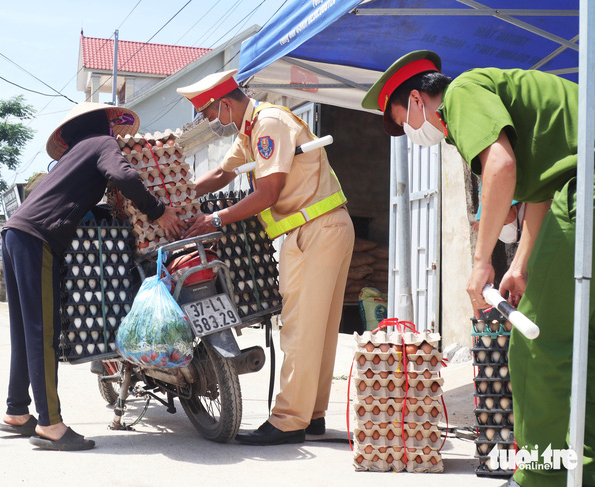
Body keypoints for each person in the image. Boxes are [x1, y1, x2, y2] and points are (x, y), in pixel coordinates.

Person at [362, 50, 594, 487]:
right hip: (575, 184)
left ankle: (539, 478)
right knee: (585, 343)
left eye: (404, 122)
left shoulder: (463, 93)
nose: (412, 134)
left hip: (586, 187)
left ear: (417, 100)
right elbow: (542, 189)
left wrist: (481, 261)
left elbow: (501, 169)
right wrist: (520, 265)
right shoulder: (497, 101)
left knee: (535, 345)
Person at [177, 70, 354, 446]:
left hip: (314, 229)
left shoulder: (269, 124)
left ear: (224, 103)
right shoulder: (251, 128)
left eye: (210, 114)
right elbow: (223, 174)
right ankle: (313, 414)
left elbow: (269, 193)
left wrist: (216, 218)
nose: (210, 122)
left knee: (300, 329)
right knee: (319, 330)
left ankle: (289, 421)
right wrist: (180, 193)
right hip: (328, 225)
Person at [0, 102, 185, 451]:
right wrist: (159, 212)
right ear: (103, 125)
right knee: (43, 334)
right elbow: (125, 177)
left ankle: (17, 412)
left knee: (24, 331)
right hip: (37, 239)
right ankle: (50, 425)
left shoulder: (71, 158)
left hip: (14, 234)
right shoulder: (102, 144)